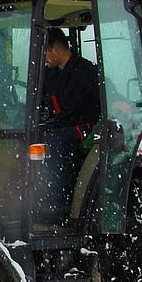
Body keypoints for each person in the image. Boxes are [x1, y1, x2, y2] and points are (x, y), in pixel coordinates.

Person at [37, 27, 99, 223]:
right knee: (37, 135)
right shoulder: (52, 74)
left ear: (55, 48)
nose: (45, 58)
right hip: (63, 125)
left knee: (56, 141)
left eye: (45, 52)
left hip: (87, 127)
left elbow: (105, 99)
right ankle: (40, 196)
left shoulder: (85, 71)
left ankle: (58, 203)